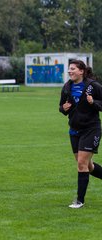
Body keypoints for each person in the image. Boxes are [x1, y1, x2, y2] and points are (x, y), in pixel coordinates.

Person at [59, 59, 102, 208]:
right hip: (74, 131)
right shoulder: (67, 87)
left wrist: (93, 103)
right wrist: (64, 108)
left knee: (81, 164)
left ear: (81, 71)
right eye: (69, 69)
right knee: (87, 166)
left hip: (91, 129)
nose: (70, 71)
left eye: (73, 69)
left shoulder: (93, 86)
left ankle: (79, 201)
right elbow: (61, 107)